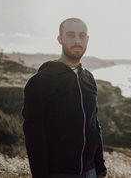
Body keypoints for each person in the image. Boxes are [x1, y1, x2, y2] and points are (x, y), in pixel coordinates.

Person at [22, 18, 107, 178]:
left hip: (90, 172)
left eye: (82, 36)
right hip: (58, 173)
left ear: (87, 40)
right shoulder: (40, 81)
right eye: (70, 35)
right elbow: (34, 136)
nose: (77, 40)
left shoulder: (88, 79)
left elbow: (94, 125)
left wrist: (100, 168)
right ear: (60, 39)